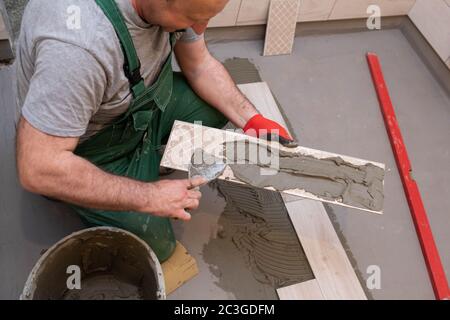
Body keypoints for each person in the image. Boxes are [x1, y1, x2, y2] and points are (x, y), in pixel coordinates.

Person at [15, 0, 295, 262]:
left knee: (217, 110)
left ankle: (146, 156)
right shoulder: (78, 49)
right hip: (90, 147)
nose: (201, 25)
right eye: (194, 18)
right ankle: (93, 185)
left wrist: (252, 119)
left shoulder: (176, 8)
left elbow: (198, 66)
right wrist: (149, 197)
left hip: (133, 110)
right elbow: (38, 168)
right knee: (157, 247)